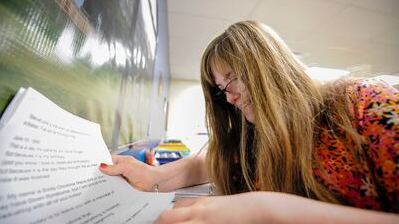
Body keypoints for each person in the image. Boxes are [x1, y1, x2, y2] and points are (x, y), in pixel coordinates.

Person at [100, 21, 399, 223]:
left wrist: (268, 210)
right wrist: (153, 178)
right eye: (220, 89)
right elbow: (209, 162)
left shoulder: (363, 104)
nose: (228, 98)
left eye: (231, 79)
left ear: (268, 66)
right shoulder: (256, 139)